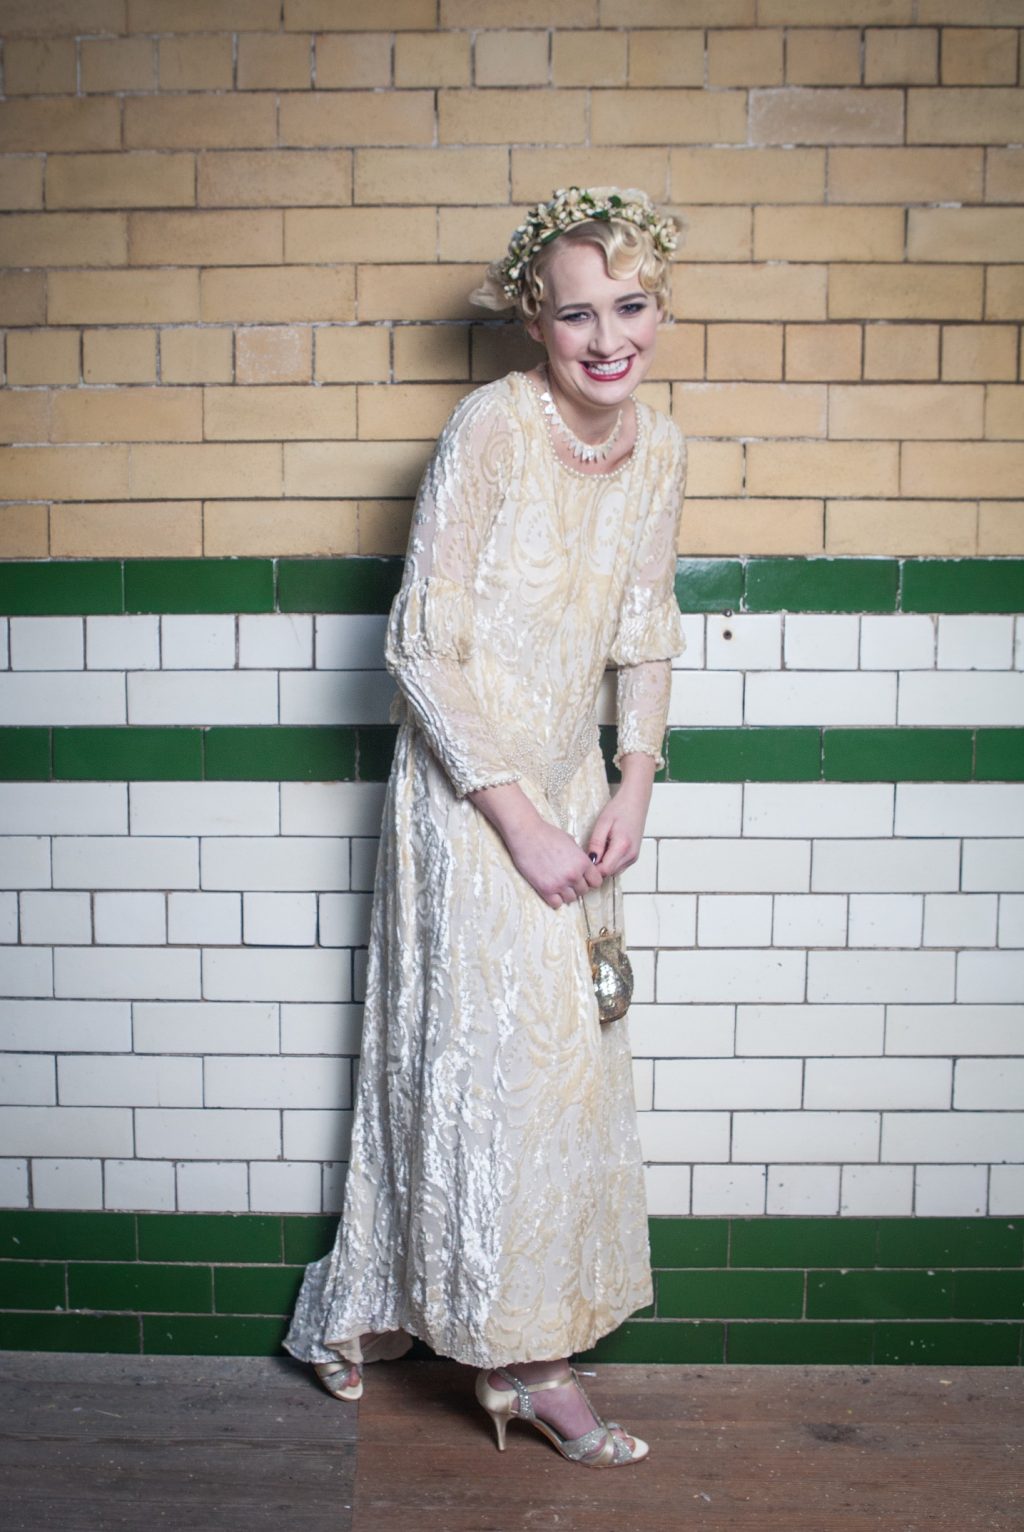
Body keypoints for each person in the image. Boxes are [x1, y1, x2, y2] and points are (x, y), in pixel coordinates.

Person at [284, 187, 687, 1470]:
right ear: (534, 319)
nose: (607, 336)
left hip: (574, 783)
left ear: (659, 309)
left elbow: (645, 626)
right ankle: (529, 1368)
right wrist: (515, 816)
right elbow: (420, 645)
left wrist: (630, 782)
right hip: (470, 791)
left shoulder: (662, 444)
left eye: (629, 307)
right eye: (578, 313)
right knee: (486, 1066)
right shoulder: (490, 430)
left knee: (564, 1069)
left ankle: (482, 1331)